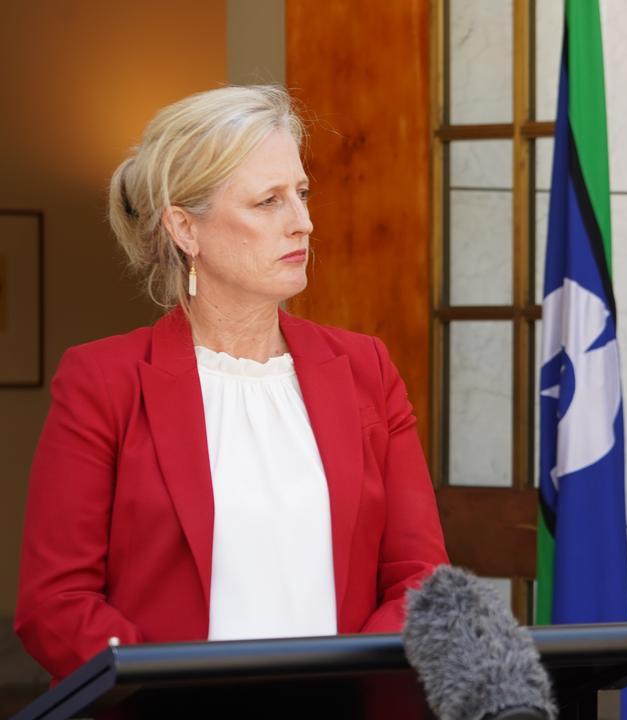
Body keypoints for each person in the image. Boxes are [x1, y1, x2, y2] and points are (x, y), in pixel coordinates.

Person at [15, 85, 449, 681]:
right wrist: (173, 694)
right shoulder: (102, 382)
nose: (303, 222)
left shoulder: (365, 368)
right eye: (268, 201)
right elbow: (56, 606)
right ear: (184, 229)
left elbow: (420, 578)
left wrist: (343, 687)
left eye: (301, 193)